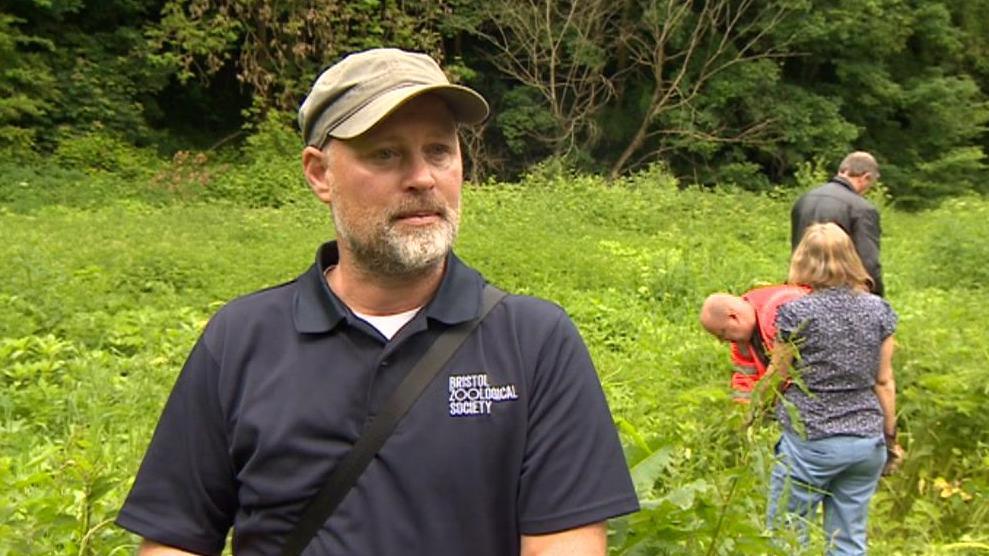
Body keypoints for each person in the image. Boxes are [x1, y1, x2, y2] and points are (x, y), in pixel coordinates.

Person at [116, 48, 639, 556]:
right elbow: (176, 537)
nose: (421, 178)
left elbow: (563, 543)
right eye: (385, 153)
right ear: (320, 173)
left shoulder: (535, 343)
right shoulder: (240, 340)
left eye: (439, 150)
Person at [765, 222, 904, 555]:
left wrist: (756, 414)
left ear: (803, 260)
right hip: (865, 442)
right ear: (851, 257)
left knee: (786, 535)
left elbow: (777, 375)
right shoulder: (878, 310)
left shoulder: (796, 312)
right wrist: (889, 437)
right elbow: (883, 381)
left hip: (810, 439)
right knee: (848, 540)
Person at [791, 151, 885, 297]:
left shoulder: (804, 199)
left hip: (801, 288)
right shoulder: (862, 209)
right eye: (870, 184)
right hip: (841, 293)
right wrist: (877, 299)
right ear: (866, 177)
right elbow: (868, 262)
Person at [699, 285, 809, 402]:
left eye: (722, 333)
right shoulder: (742, 340)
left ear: (733, 317)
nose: (722, 341)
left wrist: (764, 403)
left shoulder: (778, 313)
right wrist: (743, 410)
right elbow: (745, 379)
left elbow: (781, 373)